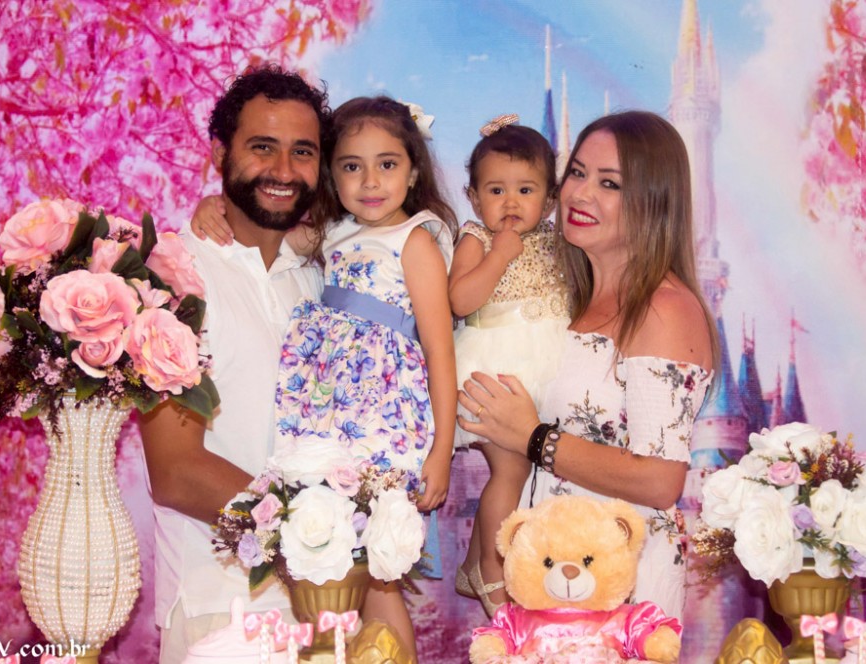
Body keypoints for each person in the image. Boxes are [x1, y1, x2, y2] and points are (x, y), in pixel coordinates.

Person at [193, 95, 458, 660]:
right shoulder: (328, 234)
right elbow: (251, 231)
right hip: (324, 417)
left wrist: (441, 450)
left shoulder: (415, 240)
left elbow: (439, 349)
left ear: (413, 172)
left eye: (388, 164)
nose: (370, 181)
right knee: (334, 557)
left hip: (383, 417)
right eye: (352, 166)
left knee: (378, 566)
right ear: (331, 176)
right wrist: (210, 206)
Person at [457, 110, 717, 620]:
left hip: (618, 586)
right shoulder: (569, 301)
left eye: (609, 183)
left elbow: (660, 481)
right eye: (577, 173)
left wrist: (532, 436)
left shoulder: (664, 309)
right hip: (550, 573)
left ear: (653, 200)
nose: (581, 194)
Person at [138, 65, 331, 664]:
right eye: (262, 147)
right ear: (220, 153)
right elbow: (177, 471)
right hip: (220, 611)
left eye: (302, 152)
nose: (284, 170)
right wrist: (312, 541)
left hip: (328, 607)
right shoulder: (177, 275)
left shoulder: (318, 279)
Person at [447, 114, 569, 618]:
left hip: (547, 366)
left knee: (529, 473)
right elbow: (459, 300)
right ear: (474, 199)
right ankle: (491, 572)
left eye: (526, 189)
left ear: (550, 200)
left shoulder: (558, 240)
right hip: (494, 369)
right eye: (496, 190)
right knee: (511, 469)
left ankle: (473, 564)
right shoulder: (476, 237)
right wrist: (497, 256)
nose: (511, 202)